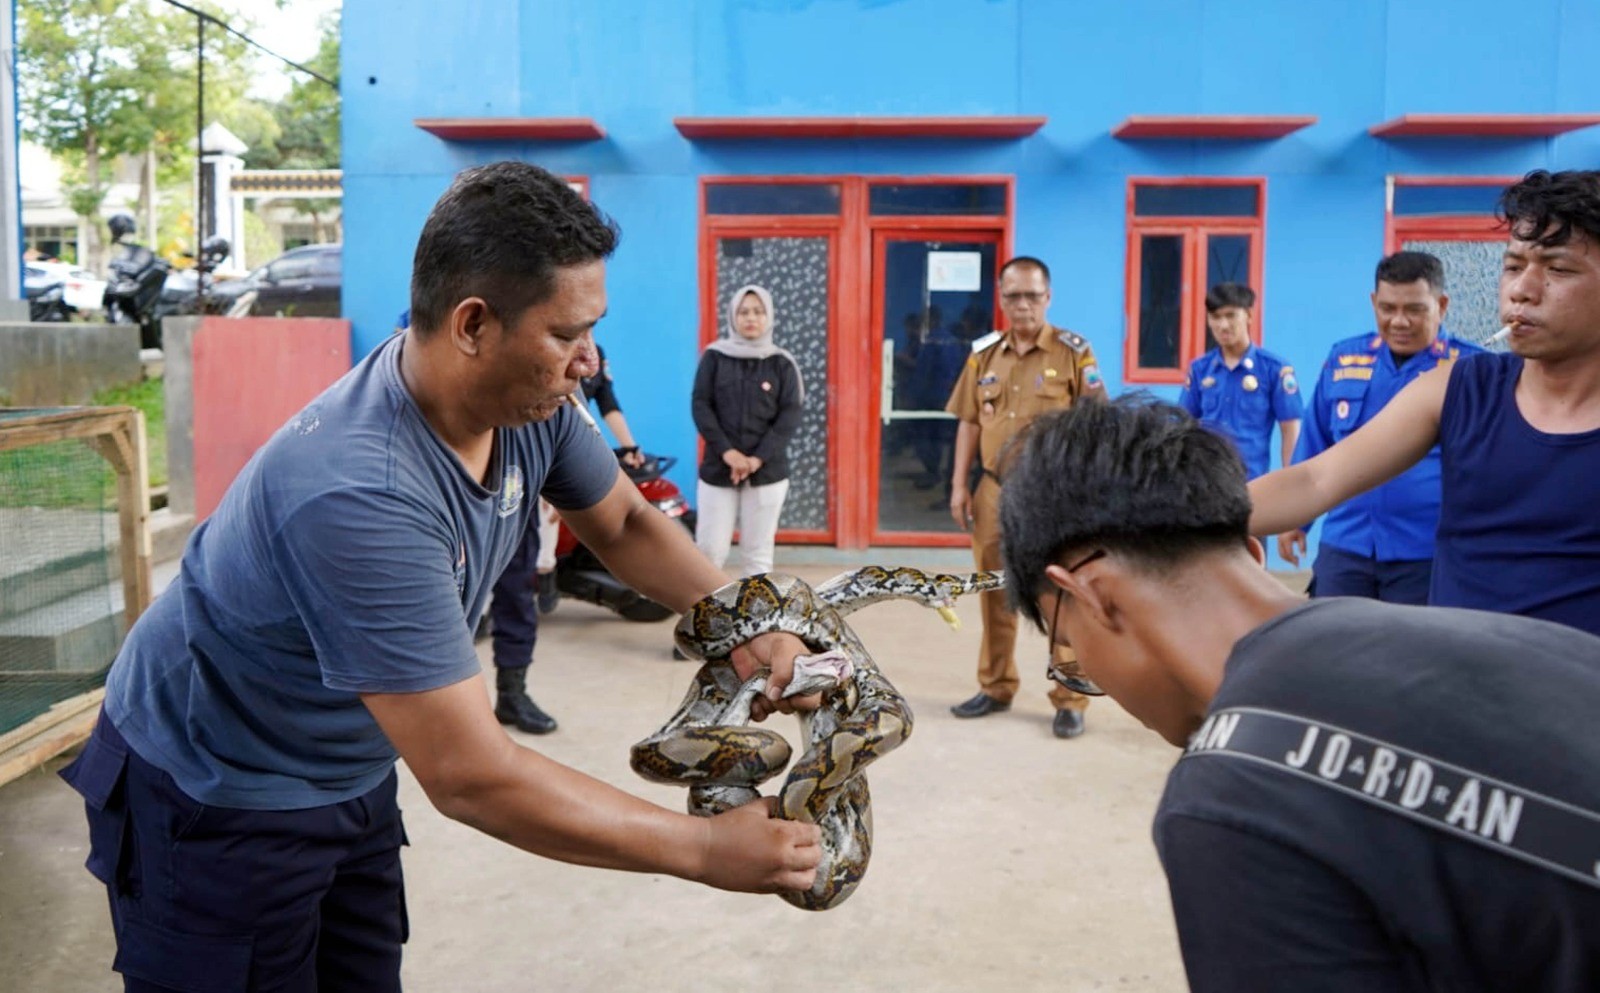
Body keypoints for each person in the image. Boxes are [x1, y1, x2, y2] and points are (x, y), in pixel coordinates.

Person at [59, 162, 821, 992]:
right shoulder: (359, 492)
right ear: (472, 325)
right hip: (214, 788)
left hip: (345, 766)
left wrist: (751, 627)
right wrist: (705, 848)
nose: (588, 363)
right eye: (567, 334)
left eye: (592, 330)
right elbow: (471, 774)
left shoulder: (527, 410)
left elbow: (628, 522)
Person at [999, 396, 1600, 992]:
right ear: (1251, 552)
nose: (1088, 675)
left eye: (1068, 648)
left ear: (1090, 594)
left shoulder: (1231, 793)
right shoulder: (1520, 641)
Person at [1250, 169, 1600, 637]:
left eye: (1557, 269)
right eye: (1514, 266)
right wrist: (1166, 522)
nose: (1523, 289)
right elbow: (1315, 479)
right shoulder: (1457, 389)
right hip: (1452, 689)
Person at [944, 255, 1105, 738]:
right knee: (994, 589)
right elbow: (970, 420)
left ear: (1048, 297)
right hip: (994, 490)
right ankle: (995, 686)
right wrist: (958, 484)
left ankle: (1070, 698)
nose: (1023, 305)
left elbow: (1098, 425)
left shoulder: (1074, 354)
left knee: (1060, 597)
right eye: (1013, 295)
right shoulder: (984, 356)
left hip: (1053, 494)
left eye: (1032, 296)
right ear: (1001, 298)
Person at [1278, 252, 1482, 603]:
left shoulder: (1471, 371)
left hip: (1427, 553)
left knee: (1415, 655)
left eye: (1414, 309)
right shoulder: (1345, 360)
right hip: (1347, 546)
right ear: (1373, 302)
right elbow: (1314, 444)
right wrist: (1295, 518)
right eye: (1387, 308)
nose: (1399, 322)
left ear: (1442, 305)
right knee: (1334, 650)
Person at [486, 341, 649, 734]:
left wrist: (623, 450)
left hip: (519, 485)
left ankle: (512, 692)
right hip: (464, 488)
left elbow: (603, 403)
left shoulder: (588, 354)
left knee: (517, 590)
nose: (588, 351)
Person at [691, 284, 805, 577]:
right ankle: (708, 619)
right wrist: (729, 453)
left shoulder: (782, 363)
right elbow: (701, 405)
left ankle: (755, 621)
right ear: (732, 317)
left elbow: (789, 416)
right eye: (743, 312)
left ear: (769, 317)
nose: (750, 318)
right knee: (709, 551)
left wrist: (756, 459)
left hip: (767, 472)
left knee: (758, 555)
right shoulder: (715, 357)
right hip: (719, 467)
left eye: (758, 311)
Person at [1178, 282, 1302, 480]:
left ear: (1249, 316)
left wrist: (1291, 480)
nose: (1223, 325)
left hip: (1251, 484)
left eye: (1230, 315)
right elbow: (1183, 424)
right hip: (1205, 482)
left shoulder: (1274, 369)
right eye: (1215, 317)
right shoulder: (1200, 370)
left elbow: (1290, 430)